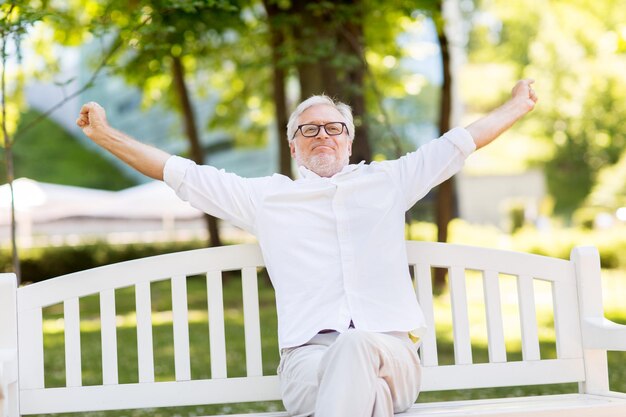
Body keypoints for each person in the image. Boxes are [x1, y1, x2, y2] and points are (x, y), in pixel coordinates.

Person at [76, 79, 538, 417]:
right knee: (361, 394)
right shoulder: (266, 198)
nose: (322, 136)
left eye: (333, 128)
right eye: (308, 130)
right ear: (293, 148)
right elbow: (180, 173)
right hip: (308, 361)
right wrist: (104, 135)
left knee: (357, 348)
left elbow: (459, 143)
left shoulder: (389, 181)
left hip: (391, 354)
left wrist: (518, 103)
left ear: (350, 140)